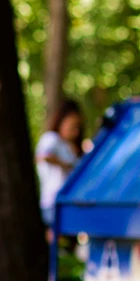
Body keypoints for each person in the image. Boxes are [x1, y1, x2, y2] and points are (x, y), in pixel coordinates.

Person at [36, 98, 84, 228]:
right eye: (72, 126)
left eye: (77, 127)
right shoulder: (52, 139)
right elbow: (43, 156)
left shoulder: (71, 147)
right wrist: (65, 165)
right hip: (52, 202)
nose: (75, 131)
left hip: (70, 202)